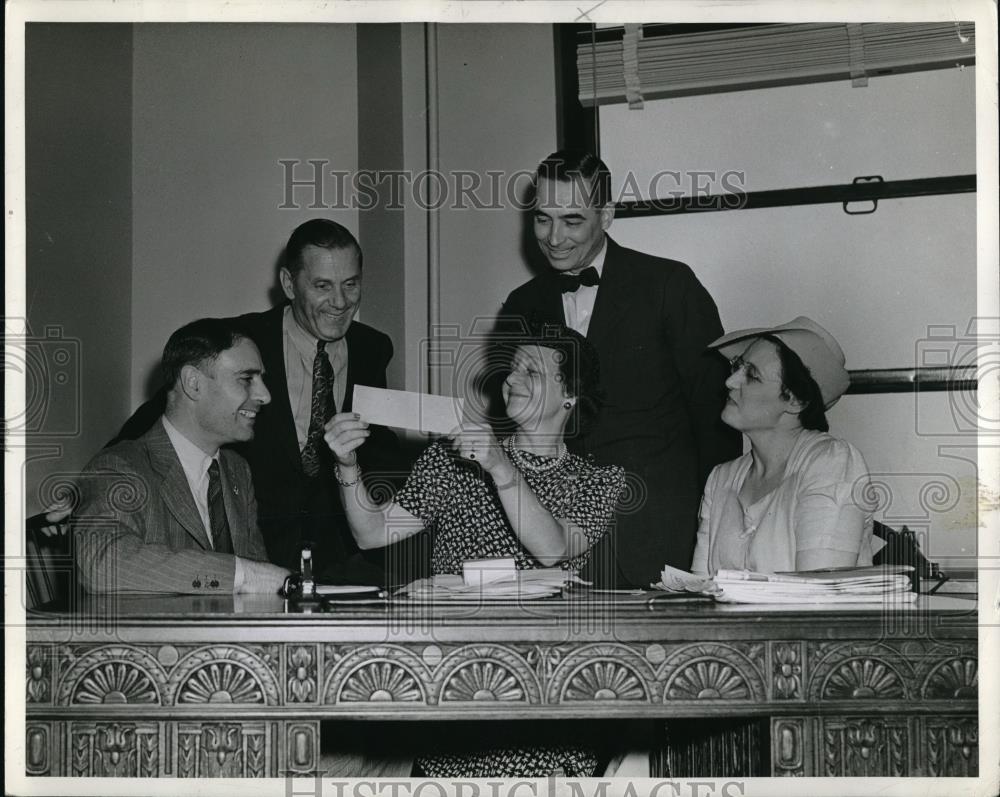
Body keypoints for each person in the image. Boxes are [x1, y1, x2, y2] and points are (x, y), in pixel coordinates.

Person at [325, 323, 625, 777]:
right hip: (455, 683)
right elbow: (372, 532)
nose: (512, 379)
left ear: (571, 396)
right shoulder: (451, 461)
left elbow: (553, 549)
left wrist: (499, 465)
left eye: (533, 372)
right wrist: (347, 466)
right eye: (513, 368)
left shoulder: (597, 482)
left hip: (543, 695)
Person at [111, 219, 405, 584]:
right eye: (322, 286)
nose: (341, 302)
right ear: (288, 283)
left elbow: (377, 444)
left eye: (351, 284)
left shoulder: (372, 348)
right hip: (254, 550)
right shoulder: (244, 341)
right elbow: (165, 414)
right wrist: (86, 492)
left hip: (341, 554)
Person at [498, 149, 740, 587]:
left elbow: (717, 420)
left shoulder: (669, 285)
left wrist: (714, 530)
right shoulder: (522, 304)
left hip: (654, 531)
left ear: (606, 215)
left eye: (572, 221)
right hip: (552, 537)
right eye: (542, 219)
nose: (553, 237)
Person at [73, 318, 290, 594]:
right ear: (193, 383)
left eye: (261, 379)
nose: (265, 395)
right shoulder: (119, 467)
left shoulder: (236, 470)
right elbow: (102, 566)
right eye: (247, 379)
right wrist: (242, 576)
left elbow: (261, 583)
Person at [691, 316, 879, 575]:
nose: (731, 382)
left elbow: (820, 596)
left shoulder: (831, 463)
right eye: (737, 366)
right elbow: (700, 592)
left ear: (795, 401)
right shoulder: (721, 479)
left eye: (752, 375)